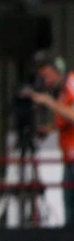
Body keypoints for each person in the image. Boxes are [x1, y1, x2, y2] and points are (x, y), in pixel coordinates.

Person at [22, 54, 74, 226]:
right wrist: (47, 129)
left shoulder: (71, 82)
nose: (44, 79)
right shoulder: (60, 92)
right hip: (69, 158)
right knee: (69, 215)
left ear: (57, 70)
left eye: (46, 74)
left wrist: (48, 101)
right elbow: (64, 121)